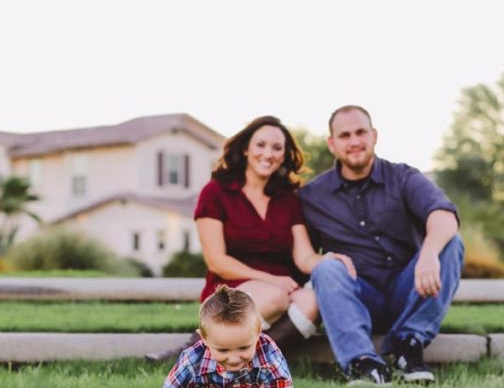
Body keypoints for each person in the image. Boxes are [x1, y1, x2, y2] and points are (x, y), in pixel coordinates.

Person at [146, 115, 354, 361]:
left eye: (277, 148)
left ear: (284, 155)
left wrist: (329, 261)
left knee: (312, 300)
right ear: (246, 148)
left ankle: (253, 363)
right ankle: (195, 353)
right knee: (273, 297)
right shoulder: (215, 193)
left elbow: (304, 256)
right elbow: (216, 261)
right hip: (235, 286)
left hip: (284, 286)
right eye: (261, 145)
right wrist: (272, 280)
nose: (268, 153)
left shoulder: (289, 198)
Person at [299, 105, 464, 386]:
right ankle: (364, 364)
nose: (354, 142)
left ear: (374, 135)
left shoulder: (402, 177)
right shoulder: (312, 196)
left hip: (410, 292)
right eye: (345, 135)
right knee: (327, 269)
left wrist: (428, 253)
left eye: (361, 132)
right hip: (357, 299)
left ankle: (408, 346)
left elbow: (445, 215)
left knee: (450, 242)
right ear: (332, 143)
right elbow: (301, 254)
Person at [147, 285, 294, 388]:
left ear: (258, 332)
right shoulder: (194, 358)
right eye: (223, 350)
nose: (234, 359)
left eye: (243, 348)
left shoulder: (269, 356)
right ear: (204, 339)